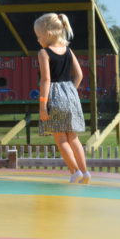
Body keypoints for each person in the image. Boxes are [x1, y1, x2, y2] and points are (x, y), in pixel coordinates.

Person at [34, 13, 90, 183]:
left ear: (48, 34)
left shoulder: (44, 53)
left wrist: (43, 105)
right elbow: (79, 75)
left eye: (39, 36)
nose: (38, 40)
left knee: (60, 138)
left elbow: (45, 80)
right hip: (71, 96)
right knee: (73, 137)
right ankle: (85, 172)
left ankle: (74, 171)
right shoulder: (69, 50)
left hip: (55, 97)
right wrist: (71, 92)